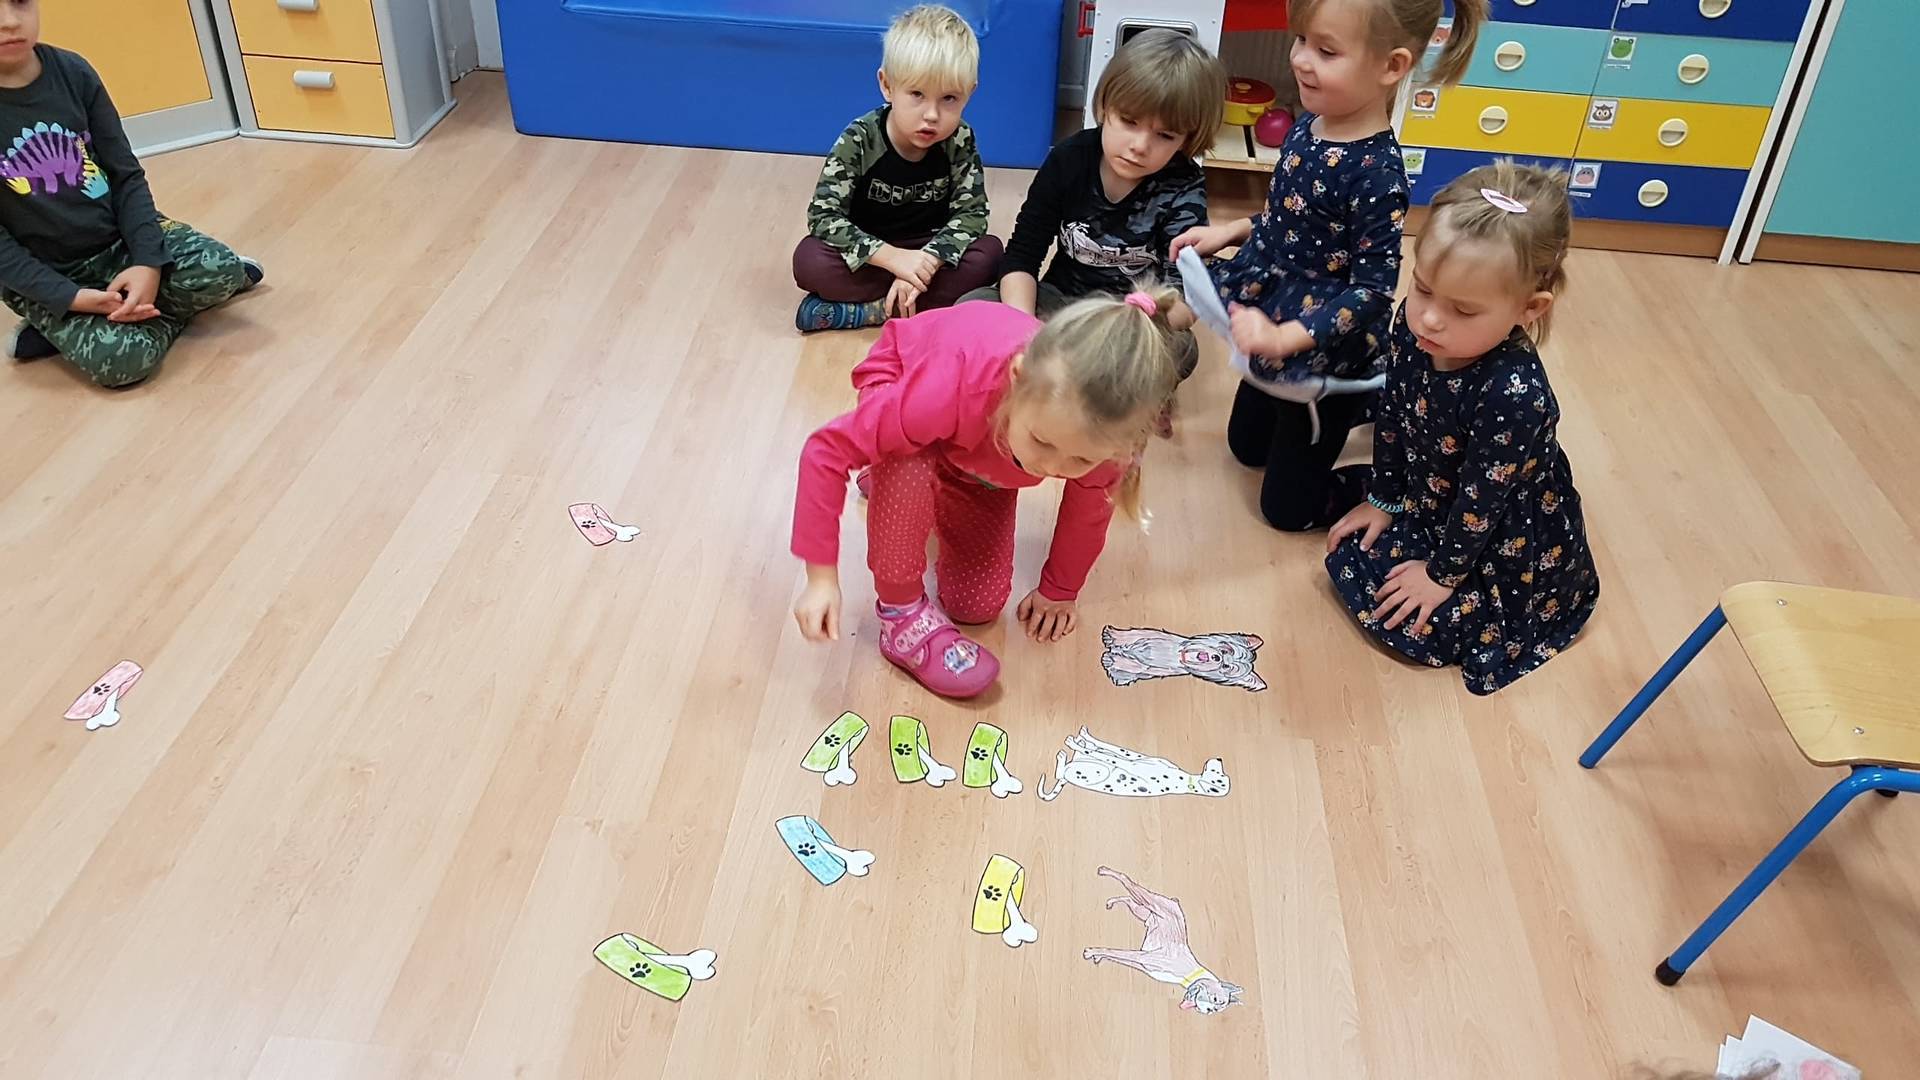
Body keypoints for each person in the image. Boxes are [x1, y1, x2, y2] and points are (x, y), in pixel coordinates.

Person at [1173, 0, 1484, 529]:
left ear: (1392, 66)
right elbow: (1290, 217)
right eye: (1301, 40)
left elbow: (1373, 293)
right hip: (1275, 313)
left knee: (1285, 511)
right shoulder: (1309, 125)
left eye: (1326, 50)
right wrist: (1231, 230)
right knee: (1245, 448)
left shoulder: (1378, 176)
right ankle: (1377, 404)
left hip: (1323, 354)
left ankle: (1394, 479)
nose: (1300, 59)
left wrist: (1286, 338)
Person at [790, 288, 1187, 698]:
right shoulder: (949, 389)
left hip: (976, 453)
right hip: (906, 378)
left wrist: (1059, 591)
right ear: (1017, 378)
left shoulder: (1109, 440)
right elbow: (824, 452)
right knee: (904, 459)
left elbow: (1087, 514)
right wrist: (821, 579)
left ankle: (923, 476)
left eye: (1080, 460)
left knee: (975, 605)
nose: (1053, 467)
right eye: (1043, 441)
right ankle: (898, 615)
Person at [1324, 161, 1597, 695]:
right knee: (1349, 546)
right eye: (1423, 289)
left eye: (1464, 310)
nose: (1429, 318)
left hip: (1493, 528)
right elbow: (1394, 412)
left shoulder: (1513, 395)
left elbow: (1483, 503)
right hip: (1433, 486)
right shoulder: (1413, 327)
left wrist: (1440, 576)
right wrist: (1385, 497)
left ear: (1529, 308)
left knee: (1414, 619)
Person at [0, 0, 260, 388]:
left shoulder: (73, 71)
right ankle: (107, 324)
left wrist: (148, 264)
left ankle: (93, 327)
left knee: (221, 270)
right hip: (54, 274)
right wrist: (71, 298)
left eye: (20, 1)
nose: (9, 21)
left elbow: (126, 176)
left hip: (120, 241)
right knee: (121, 363)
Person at [966, 28, 1224, 386]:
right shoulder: (1069, 159)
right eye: (1128, 121)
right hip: (1059, 302)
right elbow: (1022, 257)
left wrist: (1129, 328)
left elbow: (1183, 297)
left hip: (1129, 323)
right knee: (973, 307)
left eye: (1165, 135)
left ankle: (1083, 383)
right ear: (1104, 107)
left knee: (1181, 349)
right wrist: (1024, 330)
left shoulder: (1184, 184)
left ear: (1187, 139)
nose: (1139, 145)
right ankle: (1075, 379)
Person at [792, 5, 1000, 332]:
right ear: (887, 85)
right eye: (917, 94)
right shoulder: (859, 139)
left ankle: (872, 311)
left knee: (990, 255)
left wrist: (926, 261)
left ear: (969, 93)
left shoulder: (960, 139)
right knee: (810, 259)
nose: (931, 115)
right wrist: (893, 259)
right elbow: (824, 216)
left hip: (928, 249)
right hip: (873, 253)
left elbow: (972, 214)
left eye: (949, 98)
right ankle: (920, 306)